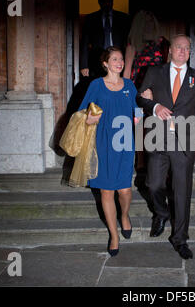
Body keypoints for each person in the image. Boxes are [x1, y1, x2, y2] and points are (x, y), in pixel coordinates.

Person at [136, 34, 195, 260]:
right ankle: (161, 212)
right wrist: (155, 105)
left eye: (187, 48)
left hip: (185, 141)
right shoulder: (154, 72)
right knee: (153, 184)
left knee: (182, 191)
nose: (182, 51)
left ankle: (180, 239)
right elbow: (139, 98)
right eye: (178, 47)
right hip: (158, 138)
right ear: (170, 50)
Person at [78, 46, 139, 257]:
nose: (119, 63)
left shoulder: (129, 85)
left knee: (124, 190)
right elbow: (82, 111)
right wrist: (89, 117)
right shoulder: (96, 85)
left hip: (124, 142)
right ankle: (114, 235)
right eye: (115, 59)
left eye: (121, 59)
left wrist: (139, 116)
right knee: (106, 191)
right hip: (102, 142)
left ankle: (124, 215)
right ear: (105, 63)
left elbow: (137, 107)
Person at [123, 10, 170, 171]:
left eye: (152, 22)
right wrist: (125, 93)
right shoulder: (133, 43)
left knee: (158, 123)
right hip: (138, 88)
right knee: (139, 123)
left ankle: (158, 158)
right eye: (146, 22)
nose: (150, 25)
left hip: (159, 88)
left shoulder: (162, 43)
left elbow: (169, 68)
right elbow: (127, 72)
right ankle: (141, 159)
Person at [80, 0, 131, 80]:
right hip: (97, 60)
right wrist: (84, 65)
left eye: (109, 1)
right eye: (104, 1)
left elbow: (129, 42)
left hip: (118, 59)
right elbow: (85, 43)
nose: (107, 4)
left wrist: (129, 65)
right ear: (99, 2)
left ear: (113, 1)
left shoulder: (123, 18)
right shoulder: (91, 19)